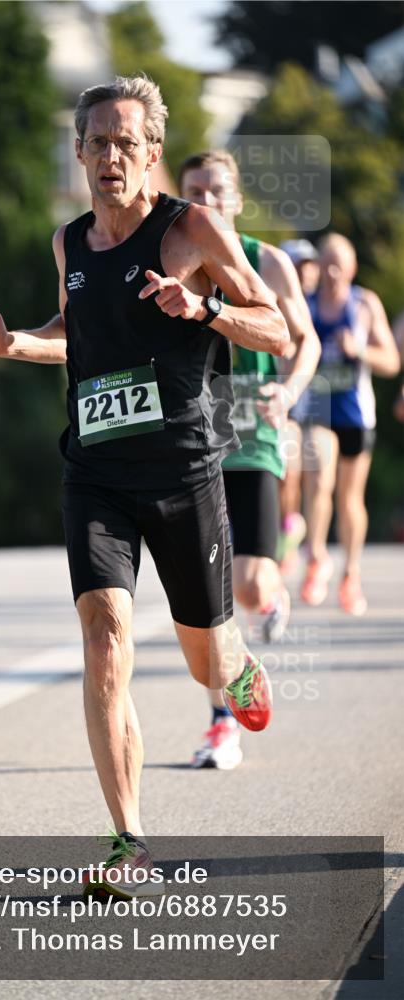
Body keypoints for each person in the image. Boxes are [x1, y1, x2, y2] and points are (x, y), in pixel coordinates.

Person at [0, 76, 288, 895]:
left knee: (203, 662)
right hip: (94, 472)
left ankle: (234, 659)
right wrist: (10, 345)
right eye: (96, 142)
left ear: (151, 153)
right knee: (104, 640)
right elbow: (71, 336)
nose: (110, 156)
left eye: (125, 142)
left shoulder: (194, 229)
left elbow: (276, 329)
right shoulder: (68, 243)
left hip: (183, 469)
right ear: (77, 153)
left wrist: (201, 311)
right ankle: (127, 839)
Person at [178, 151, 321, 770]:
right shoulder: (173, 262)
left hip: (255, 434)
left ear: (235, 199)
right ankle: (221, 724)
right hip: (193, 438)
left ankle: (275, 592)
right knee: (213, 594)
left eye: (215, 192)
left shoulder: (268, 261)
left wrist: (287, 393)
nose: (205, 203)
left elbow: (304, 338)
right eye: (193, 193)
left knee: (252, 582)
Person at [300, 233, 400, 614]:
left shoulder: (363, 304)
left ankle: (351, 574)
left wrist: (361, 351)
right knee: (320, 479)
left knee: (349, 497)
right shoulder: (306, 305)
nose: (332, 269)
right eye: (326, 261)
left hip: (357, 412)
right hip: (318, 411)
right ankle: (317, 558)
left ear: (353, 267)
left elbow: (391, 361)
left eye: (339, 262)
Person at [278, 238, 321, 573]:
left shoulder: (318, 306)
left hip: (312, 406)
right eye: (298, 267)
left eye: (308, 267)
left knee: (299, 475)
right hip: (279, 402)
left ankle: (291, 529)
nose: (305, 273)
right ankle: (286, 528)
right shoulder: (274, 299)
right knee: (284, 475)